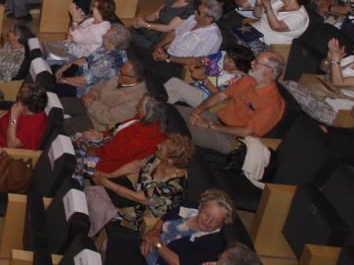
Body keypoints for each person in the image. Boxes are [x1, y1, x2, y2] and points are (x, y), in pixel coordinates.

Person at [176, 51, 286, 153]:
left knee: (180, 131)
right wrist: (197, 111)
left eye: (257, 62)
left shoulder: (272, 103)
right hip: (216, 119)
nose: (252, 63)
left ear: (269, 71)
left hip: (232, 139)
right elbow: (220, 95)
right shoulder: (249, 80)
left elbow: (246, 131)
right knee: (170, 111)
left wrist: (210, 125)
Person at [86, 133, 194, 236]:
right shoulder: (158, 158)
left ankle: (87, 229)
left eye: (162, 147)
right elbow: (135, 166)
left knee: (97, 202)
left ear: (170, 160)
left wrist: (106, 183)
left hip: (143, 214)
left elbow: (139, 198)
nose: (158, 145)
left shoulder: (174, 187)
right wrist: (108, 175)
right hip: (133, 192)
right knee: (93, 179)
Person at [106, 189, 236, 265]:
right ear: (200, 206)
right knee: (106, 245)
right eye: (206, 214)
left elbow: (178, 262)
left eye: (215, 221)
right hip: (149, 246)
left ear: (223, 223)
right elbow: (163, 220)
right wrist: (153, 234)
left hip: (161, 261)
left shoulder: (215, 242)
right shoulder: (188, 207)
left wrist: (157, 244)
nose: (208, 222)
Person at [73, 94, 167, 177]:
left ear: (148, 112)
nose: (136, 106)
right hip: (106, 146)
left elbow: (115, 154)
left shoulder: (146, 136)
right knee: (76, 138)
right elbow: (118, 129)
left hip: (110, 163)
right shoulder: (142, 119)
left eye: (140, 105)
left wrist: (94, 151)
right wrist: (101, 135)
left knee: (73, 164)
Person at [62, 60, 150, 134]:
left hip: (97, 122)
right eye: (120, 70)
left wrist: (91, 103)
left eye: (121, 73)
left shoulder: (137, 100)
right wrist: (92, 94)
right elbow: (100, 86)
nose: (118, 73)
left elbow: (108, 117)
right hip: (88, 104)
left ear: (133, 79)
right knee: (58, 104)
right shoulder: (121, 75)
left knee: (63, 126)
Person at [163, 45, 255, 108]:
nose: (225, 60)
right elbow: (202, 60)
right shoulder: (221, 55)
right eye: (226, 56)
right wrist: (195, 64)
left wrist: (204, 79)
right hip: (193, 88)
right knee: (172, 96)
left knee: (174, 82)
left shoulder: (239, 80)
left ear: (240, 65)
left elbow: (221, 96)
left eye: (230, 61)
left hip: (206, 100)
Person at [55, 23, 130, 97]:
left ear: (113, 44)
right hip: (82, 74)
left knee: (54, 87)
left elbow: (85, 80)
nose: (103, 36)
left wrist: (63, 80)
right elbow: (86, 59)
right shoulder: (106, 47)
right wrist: (66, 66)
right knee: (55, 69)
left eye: (106, 36)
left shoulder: (108, 62)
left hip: (85, 89)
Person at [238, 0, 313, 53]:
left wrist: (267, 4)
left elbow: (276, 27)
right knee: (229, 34)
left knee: (234, 45)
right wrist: (259, 4)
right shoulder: (280, 3)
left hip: (267, 45)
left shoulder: (299, 17)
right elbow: (257, 15)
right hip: (252, 32)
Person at [128, 0, 200, 50]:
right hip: (153, 28)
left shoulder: (188, 10)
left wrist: (145, 25)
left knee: (128, 35)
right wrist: (142, 20)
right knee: (128, 31)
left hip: (161, 36)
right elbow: (156, 14)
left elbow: (169, 28)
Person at [43, 0, 117, 60]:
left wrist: (75, 21)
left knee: (46, 54)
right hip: (72, 46)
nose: (91, 8)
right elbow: (72, 32)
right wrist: (76, 21)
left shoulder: (101, 30)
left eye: (94, 6)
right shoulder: (92, 20)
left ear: (100, 10)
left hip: (80, 56)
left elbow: (78, 39)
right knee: (42, 44)